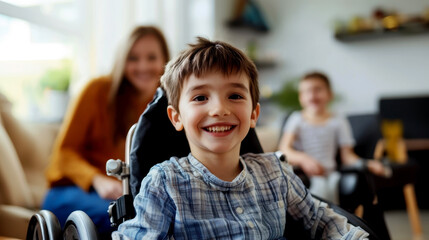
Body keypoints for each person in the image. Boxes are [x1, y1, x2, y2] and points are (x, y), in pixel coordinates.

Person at [112, 38, 369, 239]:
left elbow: (321, 221)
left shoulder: (276, 173)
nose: (219, 110)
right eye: (200, 97)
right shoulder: (165, 183)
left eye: (234, 96)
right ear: (176, 117)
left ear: (254, 113)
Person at [42, 26, 170, 236]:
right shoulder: (96, 90)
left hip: (127, 197)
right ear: (122, 60)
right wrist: (97, 179)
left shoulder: (170, 106)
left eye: (151, 57)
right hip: (73, 190)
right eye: (133, 58)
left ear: (165, 61)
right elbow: (63, 154)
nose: (143, 66)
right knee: (122, 219)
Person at [278, 71, 391, 240]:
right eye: (307, 91)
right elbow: (284, 149)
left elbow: (348, 156)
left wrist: (367, 164)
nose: (313, 95)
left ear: (329, 94)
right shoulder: (297, 119)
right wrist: (304, 158)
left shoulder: (338, 121)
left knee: (332, 191)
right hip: (303, 176)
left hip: (330, 175)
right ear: (301, 97)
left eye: (318, 90)